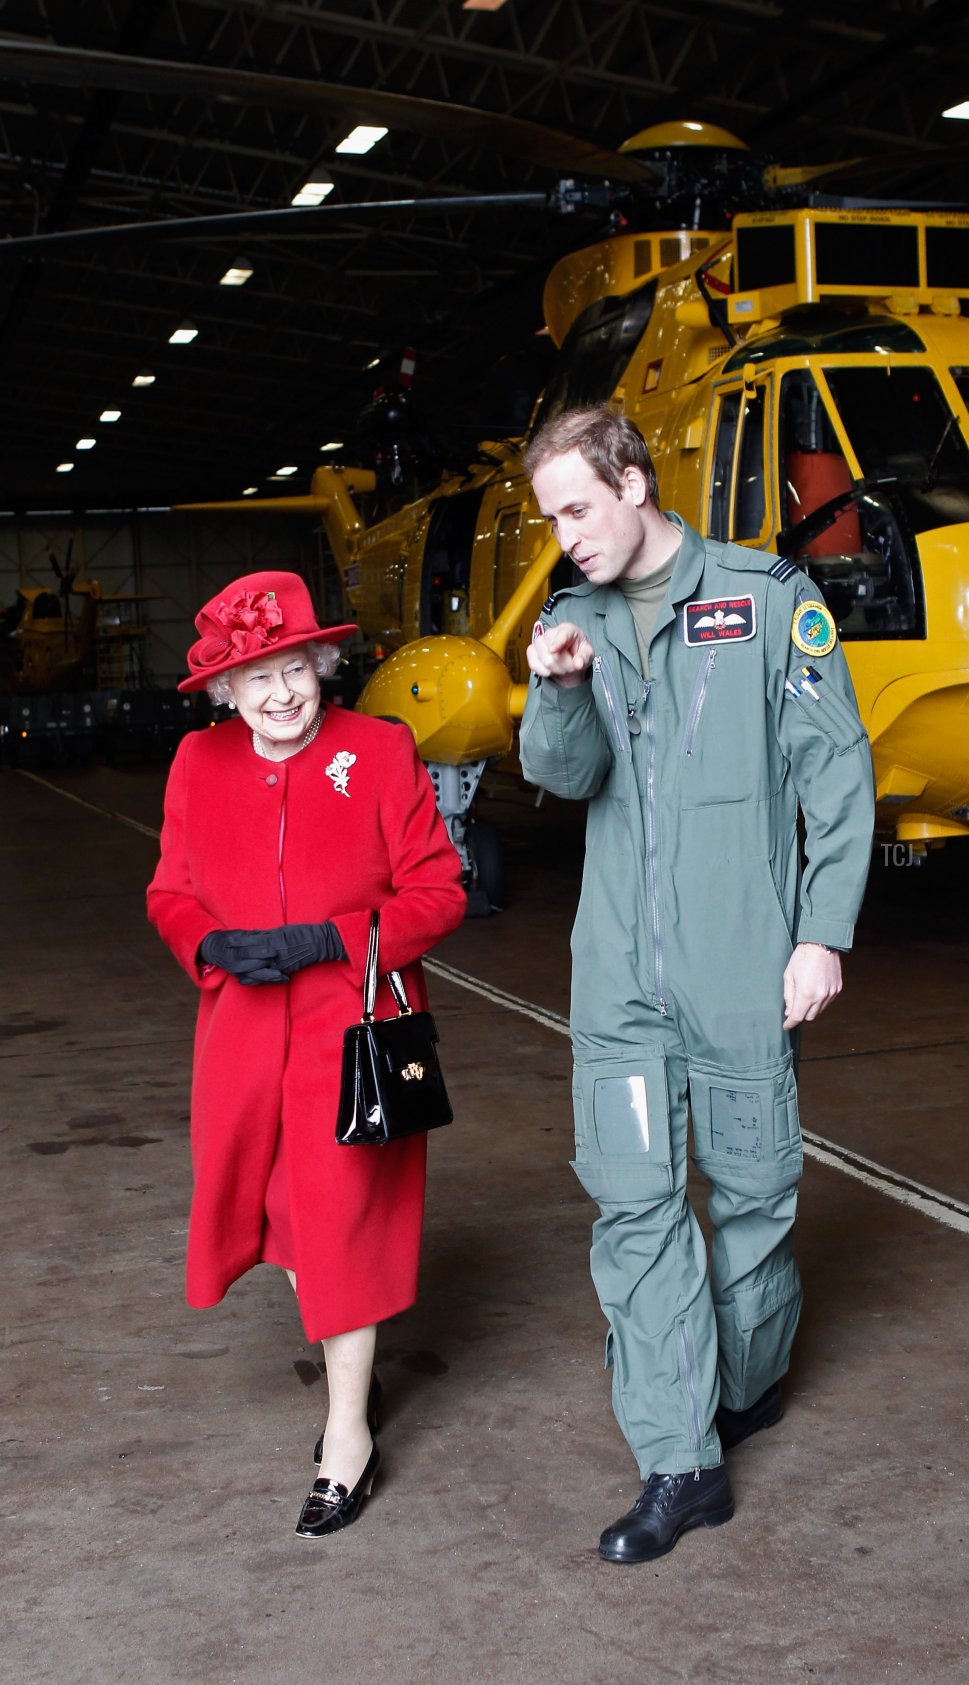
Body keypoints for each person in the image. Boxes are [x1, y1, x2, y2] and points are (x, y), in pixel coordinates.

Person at [520, 407, 875, 1564]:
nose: (565, 536)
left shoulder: (768, 600)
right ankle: (679, 1461)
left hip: (742, 965)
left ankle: (747, 1375)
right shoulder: (570, 620)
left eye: (577, 507)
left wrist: (820, 933)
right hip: (619, 976)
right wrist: (555, 689)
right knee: (636, 1209)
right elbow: (564, 777)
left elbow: (837, 772)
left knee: (756, 1199)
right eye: (551, 518)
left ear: (632, 479)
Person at [147, 571, 465, 1538]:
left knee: (336, 1225)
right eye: (257, 678)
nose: (281, 694)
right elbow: (169, 888)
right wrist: (207, 943)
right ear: (224, 692)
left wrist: (333, 939)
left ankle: (346, 1433)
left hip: (353, 1034)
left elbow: (439, 891)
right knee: (276, 1215)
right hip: (240, 1035)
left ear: (324, 665)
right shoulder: (196, 764)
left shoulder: (378, 751)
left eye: (297, 670)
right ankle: (344, 1385)